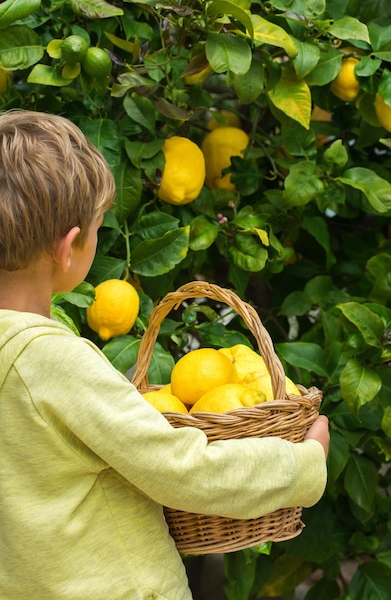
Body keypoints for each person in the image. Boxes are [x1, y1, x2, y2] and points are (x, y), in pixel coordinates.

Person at [0, 109, 329, 599]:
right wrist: (303, 464)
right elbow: (181, 468)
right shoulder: (50, 359)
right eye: (98, 228)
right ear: (69, 248)